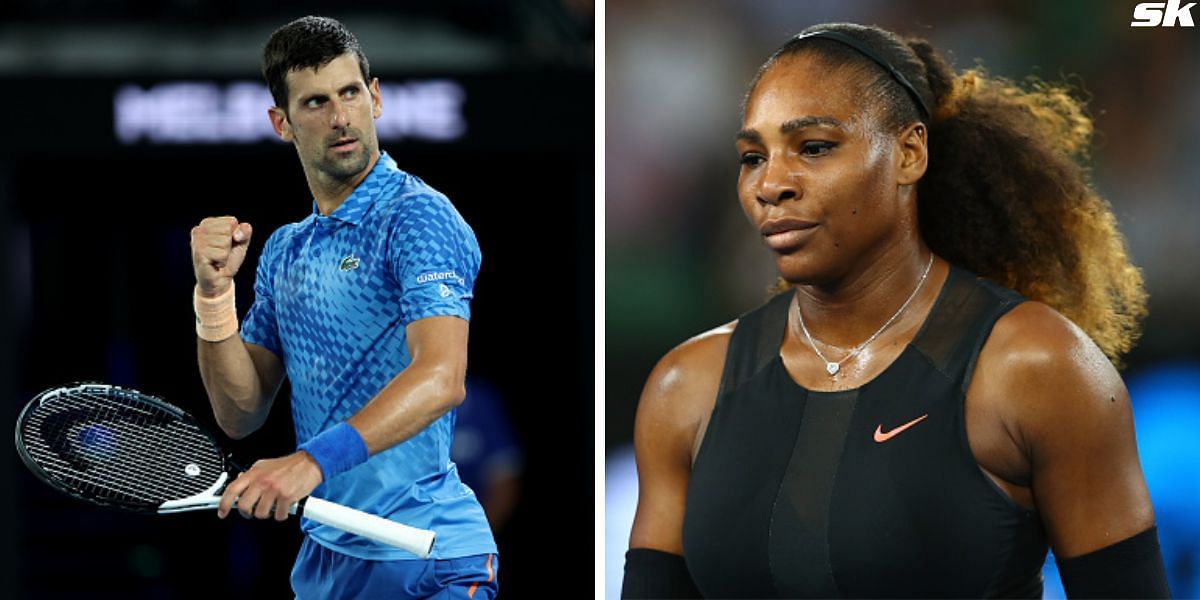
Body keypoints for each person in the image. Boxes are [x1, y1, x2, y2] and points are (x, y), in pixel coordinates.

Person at [622, 22, 1170, 599]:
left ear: (909, 153)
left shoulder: (1037, 365)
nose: (771, 184)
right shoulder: (686, 387)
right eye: (752, 157)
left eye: (813, 147)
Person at [188, 16, 497, 599]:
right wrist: (214, 297)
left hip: (427, 557)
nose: (339, 117)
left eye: (350, 93)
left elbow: (441, 377)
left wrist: (310, 463)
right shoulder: (285, 250)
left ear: (374, 98)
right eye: (314, 102)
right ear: (281, 123)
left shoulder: (417, 216)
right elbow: (240, 412)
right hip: (327, 561)